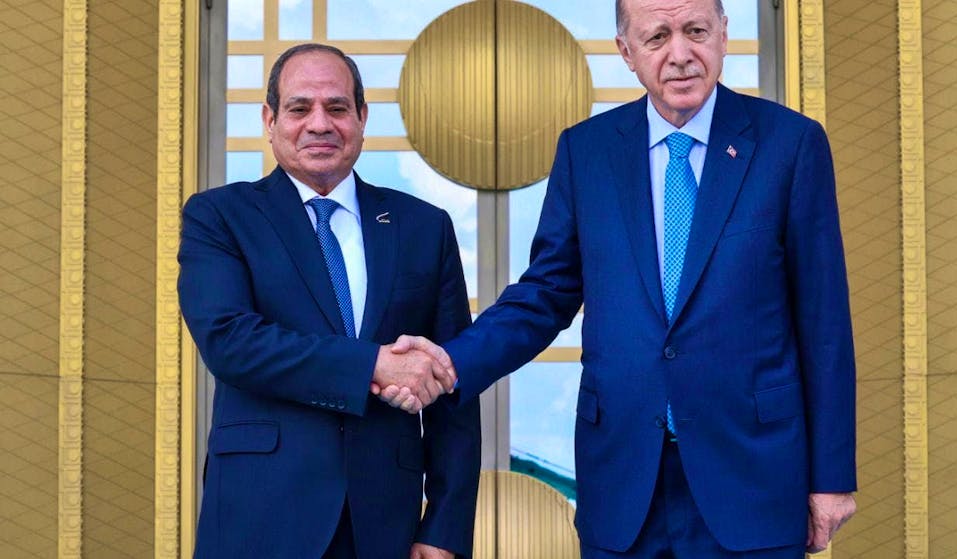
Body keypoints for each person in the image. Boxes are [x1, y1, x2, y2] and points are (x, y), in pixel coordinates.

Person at [386, 0, 857, 557]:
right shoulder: (586, 152)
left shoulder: (791, 145)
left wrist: (831, 477)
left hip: (752, 473)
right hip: (625, 477)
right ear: (626, 52)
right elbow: (545, 293)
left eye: (696, 31)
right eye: (657, 37)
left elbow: (823, 321)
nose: (680, 54)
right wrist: (449, 365)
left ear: (725, 35)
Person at [177, 43, 480, 559]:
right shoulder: (219, 216)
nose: (320, 123)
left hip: (388, 523)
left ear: (362, 118)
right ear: (270, 120)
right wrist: (374, 365)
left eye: (337, 108)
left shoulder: (424, 227)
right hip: (261, 516)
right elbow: (231, 342)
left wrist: (445, 527)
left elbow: (453, 385)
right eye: (299, 108)